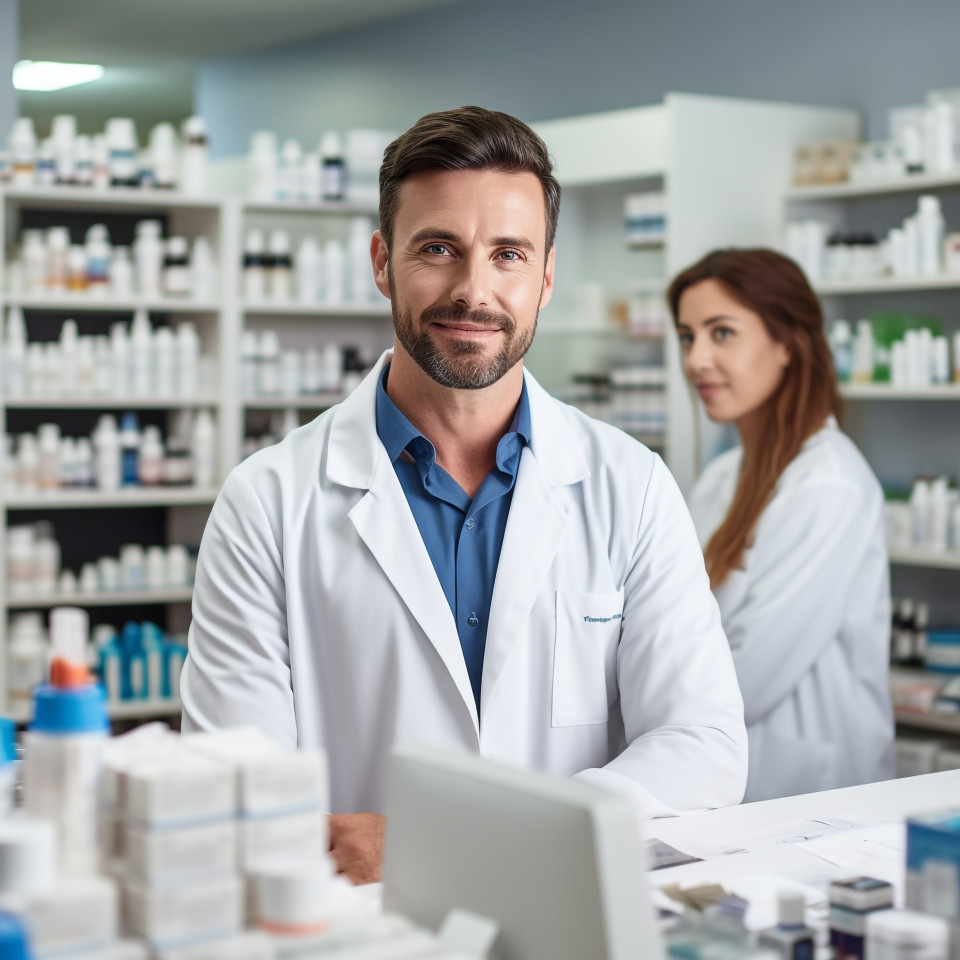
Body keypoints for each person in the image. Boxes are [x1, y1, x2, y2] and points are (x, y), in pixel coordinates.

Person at [181, 106, 747, 883]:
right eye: (438, 248)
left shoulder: (631, 485)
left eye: (508, 254)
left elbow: (702, 746)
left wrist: (454, 844)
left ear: (546, 276)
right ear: (382, 262)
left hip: (566, 911)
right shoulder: (266, 503)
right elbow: (236, 785)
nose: (473, 291)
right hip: (362, 927)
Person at [670, 248, 895, 803]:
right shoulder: (721, 477)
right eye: (688, 337)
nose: (697, 359)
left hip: (815, 797)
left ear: (788, 343)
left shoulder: (829, 484)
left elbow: (751, 674)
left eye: (722, 333)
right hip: (728, 777)